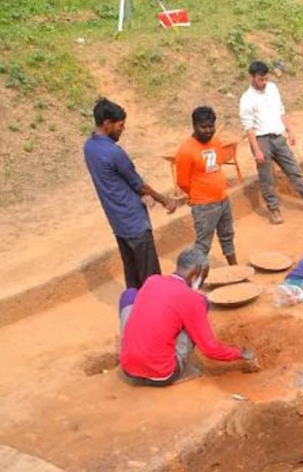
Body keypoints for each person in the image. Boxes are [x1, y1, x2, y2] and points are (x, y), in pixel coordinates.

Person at [119, 248, 257, 386]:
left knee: (129, 295)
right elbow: (210, 349)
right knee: (200, 305)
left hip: (128, 369)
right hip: (162, 374)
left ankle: (132, 349)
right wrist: (239, 354)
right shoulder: (193, 300)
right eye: (204, 277)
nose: (202, 283)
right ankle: (180, 368)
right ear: (195, 273)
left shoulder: (152, 280)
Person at [84, 98, 179, 289]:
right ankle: (156, 316)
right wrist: (164, 200)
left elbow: (114, 181)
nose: (122, 129)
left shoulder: (89, 147)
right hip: (134, 223)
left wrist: (141, 196)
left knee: (133, 276)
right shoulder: (114, 153)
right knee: (152, 279)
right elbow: (139, 185)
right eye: (120, 125)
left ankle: (134, 313)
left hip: (119, 224)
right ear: (107, 123)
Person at [239, 61, 303, 225]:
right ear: (253, 77)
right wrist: (257, 151)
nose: (264, 82)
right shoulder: (247, 99)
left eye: (266, 79)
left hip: (278, 137)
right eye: (261, 79)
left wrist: (289, 131)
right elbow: (249, 129)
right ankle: (274, 209)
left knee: (294, 170)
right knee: (266, 177)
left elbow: (281, 111)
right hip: (261, 140)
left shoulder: (273, 89)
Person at [175, 106, 238, 266]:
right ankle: (196, 279)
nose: (208, 130)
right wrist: (197, 195)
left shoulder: (215, 142)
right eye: (204, 127)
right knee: (203, 245)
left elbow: (218, 164)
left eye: (211, 126)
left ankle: (235, 269)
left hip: (223, 199)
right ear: (194, 126)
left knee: (227, 235)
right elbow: (182, 182)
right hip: (204, 205)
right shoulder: (185, 151)